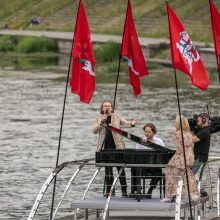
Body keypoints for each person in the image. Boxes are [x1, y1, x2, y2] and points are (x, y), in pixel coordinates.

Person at [92, 100, 137, 197]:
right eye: (105, 106)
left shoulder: (116, 116)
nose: (107, 107)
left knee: (120, 168)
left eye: (109, 106)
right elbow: (94, 131)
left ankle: (124, 190)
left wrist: (132, 123)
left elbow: (126, 123)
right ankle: (110, 191)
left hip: (117, 146)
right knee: (108, 170)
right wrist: (101, 123)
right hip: (105, 147)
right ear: (102, 108)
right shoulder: (99, 118)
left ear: (111, 107)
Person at [161, 115, 199, 202]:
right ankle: (194, 194)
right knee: (188, 175)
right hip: (189, 156)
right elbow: (189, 145)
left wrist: (180, 160)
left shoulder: (178, 133)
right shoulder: (190, 134)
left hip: (181, 157)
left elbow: (181, 147)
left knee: (170, 172)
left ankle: (171, 194)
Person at [133, 123, 165, 199]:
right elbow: (136, 154)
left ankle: (150, 190)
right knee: (134, 169)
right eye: (145, 131)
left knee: (158, 172)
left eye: (149, 132)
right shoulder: (140, 141)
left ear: (153, 132)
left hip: (155, 166)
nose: (146, 133)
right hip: (143, 166)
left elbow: (164, 153)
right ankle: (138, 190)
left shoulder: (159, 141)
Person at [192, 113, 211, 197]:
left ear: (204, 120)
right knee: (189, 175)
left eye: (198, 121)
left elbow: (193, 140)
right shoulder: (203, 130)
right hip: (198, 157)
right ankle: (202, 191)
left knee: (189, 175)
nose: (197, 123)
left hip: (199, 158)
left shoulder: (204, 131)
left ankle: (202, 191)